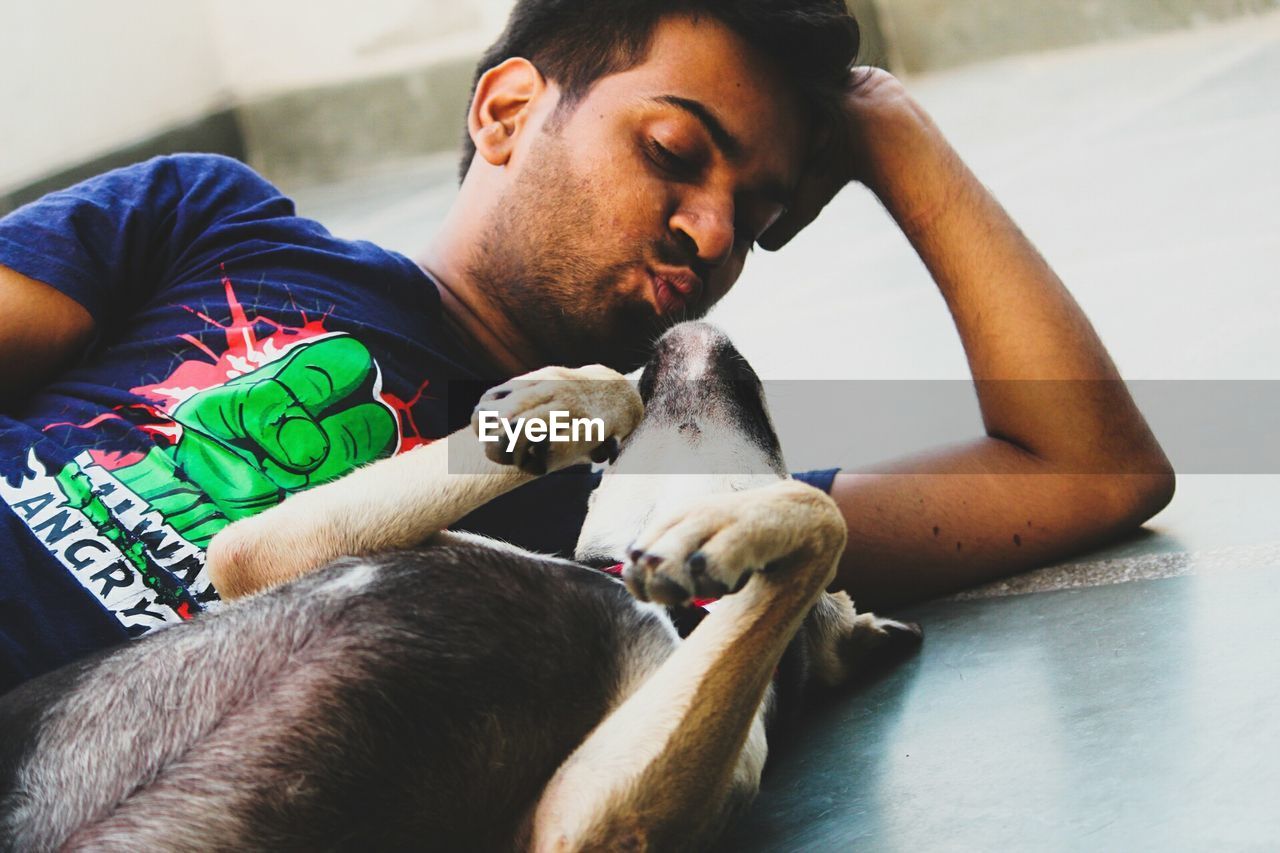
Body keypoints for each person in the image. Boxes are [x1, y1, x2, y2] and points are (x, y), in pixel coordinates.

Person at [0, 0, 1173, 694]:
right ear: (506, 111)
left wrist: (884, 123)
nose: (712, 232)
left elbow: (1085, 468)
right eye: (672, 150)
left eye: (755, 216)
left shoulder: (651, 491)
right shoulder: (209, 219)